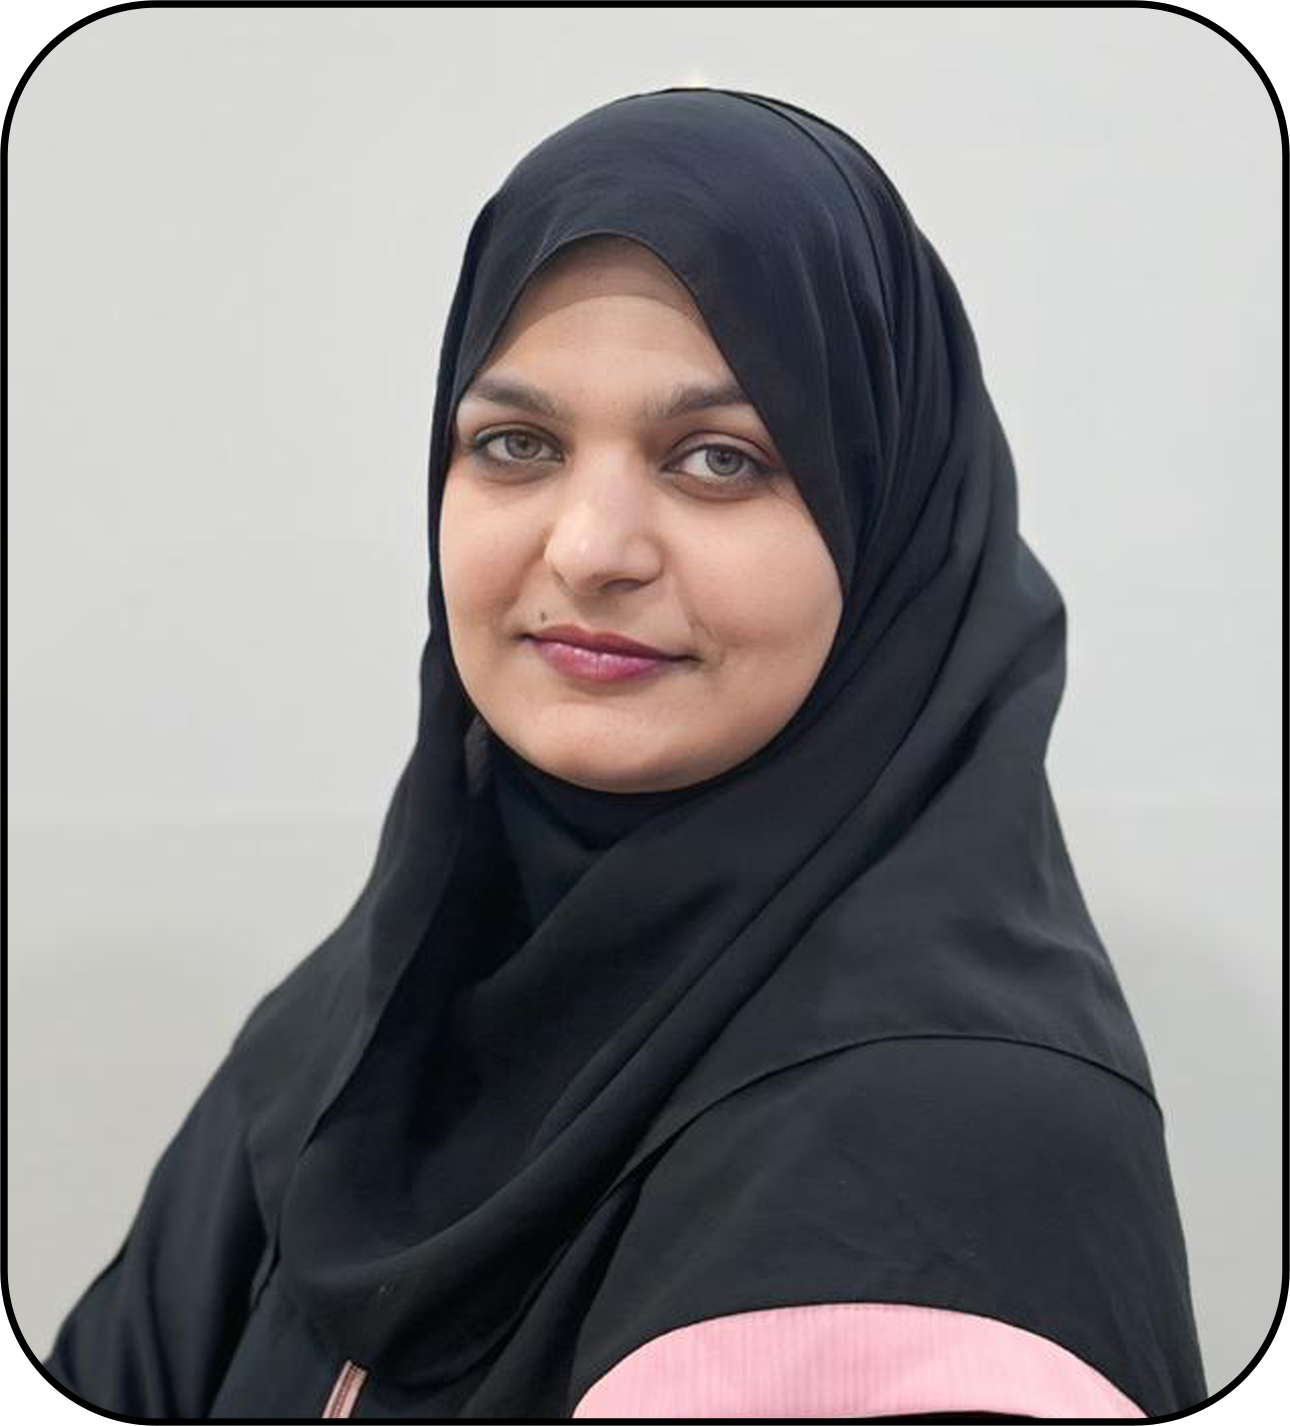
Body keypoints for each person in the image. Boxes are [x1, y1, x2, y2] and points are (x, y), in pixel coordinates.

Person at [39, 85, 1208, 1418]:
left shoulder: (949, 1163)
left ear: (890, 523)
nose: (591, 547)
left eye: (719, 459)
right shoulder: (370, 1016)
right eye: (515, 444)